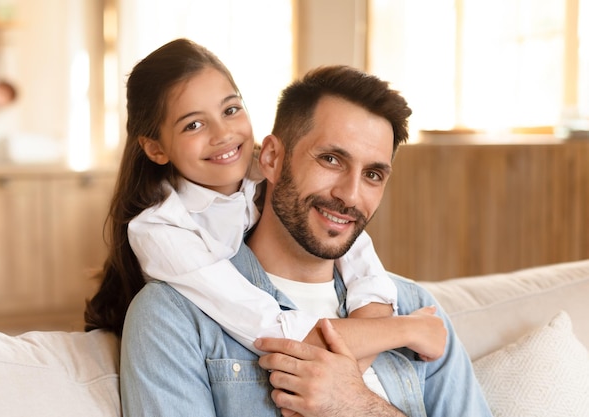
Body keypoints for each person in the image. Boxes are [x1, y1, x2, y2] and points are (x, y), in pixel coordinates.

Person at [117, 56, 492, 415]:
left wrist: (356, 407)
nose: (350, 195)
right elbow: (271, 326)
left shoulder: (416, 308)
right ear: (272, 159)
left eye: (373, 175)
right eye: (331, 159)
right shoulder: (172, 315)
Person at [85, 37, 445, 370]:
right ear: (156, 148)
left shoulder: (267, 168)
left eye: (230, 110)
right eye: (193, 125)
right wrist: (403, 331)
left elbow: (349, 239)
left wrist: (373, 321)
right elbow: (274, 331)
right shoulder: (162, 230)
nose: (223, 135)